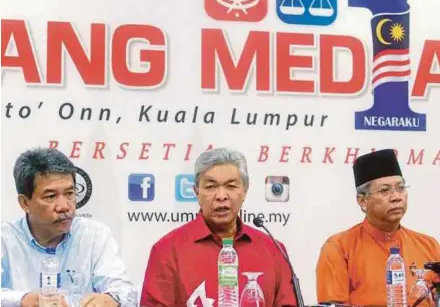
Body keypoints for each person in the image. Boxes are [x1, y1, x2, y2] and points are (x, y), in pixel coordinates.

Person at [140, 147, 296, 307]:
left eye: (231, 186)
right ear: (196, 192)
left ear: (245, 190)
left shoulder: (274, 250)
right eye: (211, 187)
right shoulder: (167, 251)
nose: (221, 196)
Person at [1, 147, 137, 307]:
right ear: (25, 203)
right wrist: (22, 300)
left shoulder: (94, 235)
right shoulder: (5, 239)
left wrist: (111, 300)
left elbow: (125, 292)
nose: (64, 206)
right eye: (50, 196)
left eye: (69, 193)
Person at [316, 149, 440, 307]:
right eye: (385, 190)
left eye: (401, 188)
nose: (396, 197)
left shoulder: (429, 246)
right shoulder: (339, 248)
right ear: (362, 201)